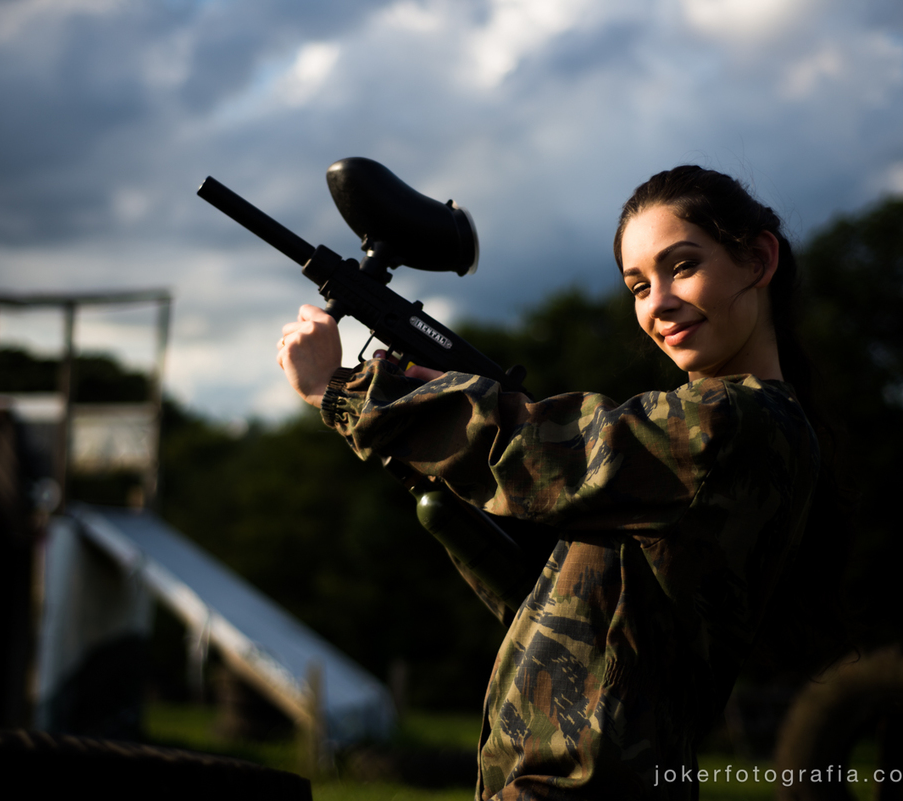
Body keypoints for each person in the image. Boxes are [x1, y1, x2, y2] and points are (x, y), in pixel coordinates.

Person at [277, 166, 829, 799]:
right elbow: (564, 611)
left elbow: (537, 451)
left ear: (759, 260)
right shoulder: (722, 435)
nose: (658, 304)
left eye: (682, 267)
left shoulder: (737, 421)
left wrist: (345, 391)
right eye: (638, 286)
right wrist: (430, 449)